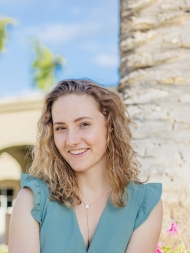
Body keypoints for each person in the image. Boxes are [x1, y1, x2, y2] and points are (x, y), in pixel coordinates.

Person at [9, 79, 163, 253]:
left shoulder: (144, 204)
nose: (71, 140)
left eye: (84, 124)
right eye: (61, 128)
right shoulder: (32, 199)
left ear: (110, 127)